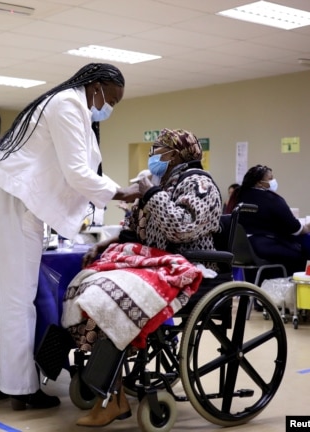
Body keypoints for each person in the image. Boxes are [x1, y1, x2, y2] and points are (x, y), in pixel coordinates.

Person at [0, 63, 141, 410]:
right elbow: (77, 171)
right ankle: (20, 387)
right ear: (96, 85)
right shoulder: (69, 103)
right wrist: (122, 192)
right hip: (12, 195)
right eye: (111, 98)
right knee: (18, 296)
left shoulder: (58, 101)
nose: (110, 107)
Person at [63, 128, 222, 427]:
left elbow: (181, 228)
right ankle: (112, 392)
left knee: (114, 300)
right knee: (90, 288)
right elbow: (131, 230)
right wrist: (104, 243)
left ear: (173, 155)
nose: (152, 157)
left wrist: (150, 193)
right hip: (150, 266)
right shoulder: (164, 184)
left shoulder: (199, 184)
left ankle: (108, 398)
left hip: (184, 269)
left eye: (156, 150)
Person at [225, 164, 310, 277]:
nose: (273, 181)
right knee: (301, 256)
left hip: (243, 250)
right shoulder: (271, 199)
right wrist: (308, 227)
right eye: (270, 178)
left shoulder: (240, 196)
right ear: (259, 183)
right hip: (263, 247)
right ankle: (292, 293)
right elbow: (295, 228)